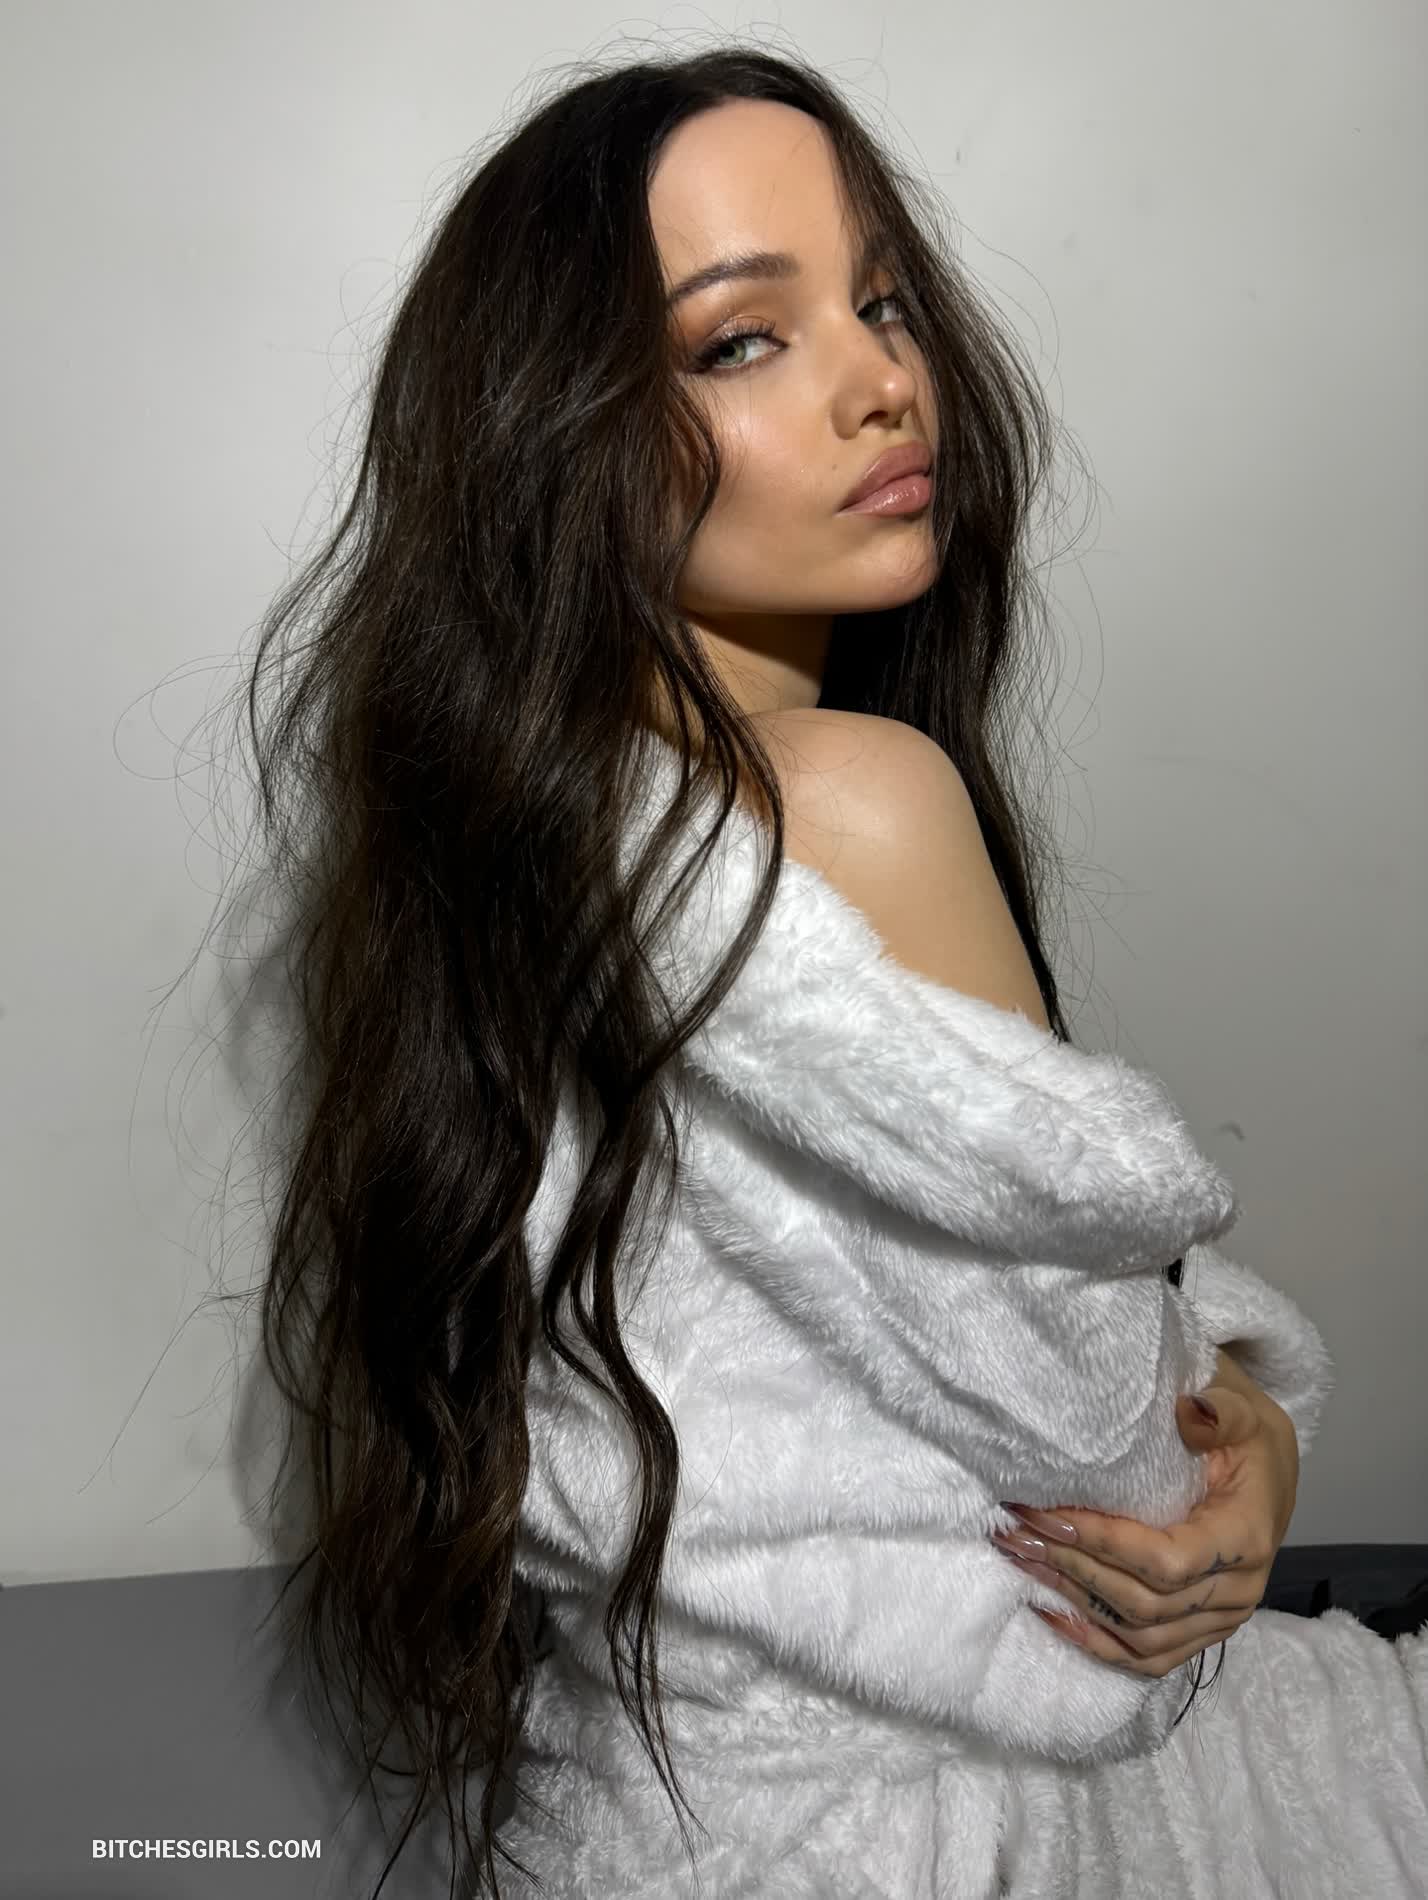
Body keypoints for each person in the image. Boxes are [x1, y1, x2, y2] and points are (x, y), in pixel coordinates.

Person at [230, 43, 1427, 1900]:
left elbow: (950, 1335)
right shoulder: (852, 804)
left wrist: (1238, 1401)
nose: (884, 379)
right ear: (561, 436)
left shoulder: (540, 840)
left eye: (880, 301)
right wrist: (1248, 1423)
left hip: (658, 1809)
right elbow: (1119, 1458)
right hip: (921, 1831)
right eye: (740, 339)